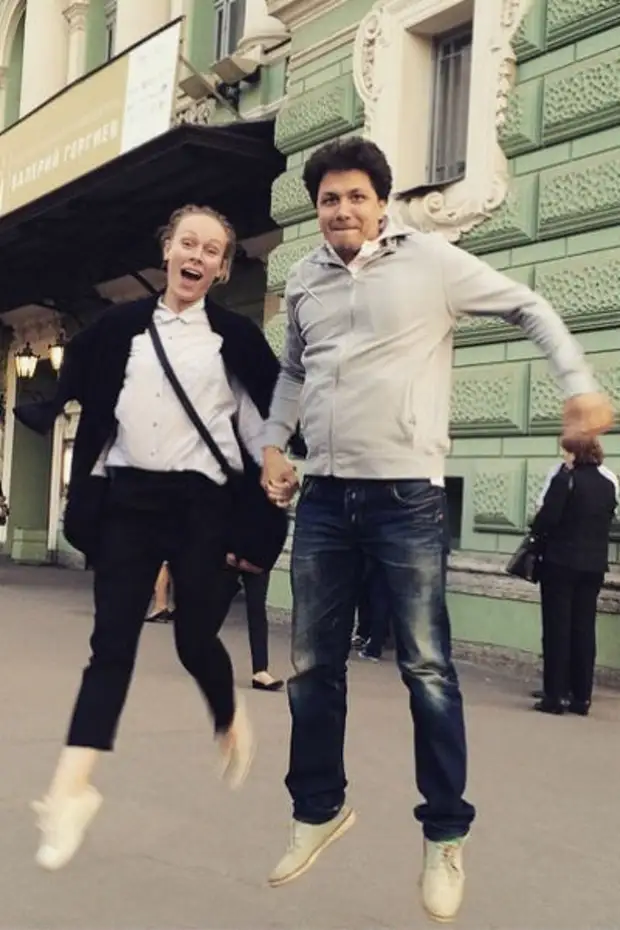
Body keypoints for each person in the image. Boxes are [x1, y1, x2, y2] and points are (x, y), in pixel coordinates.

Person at [259, 137, 613, 922]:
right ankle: (317, 811)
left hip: (406, 499)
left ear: (381, 202)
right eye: (329, 199)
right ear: (317, 208)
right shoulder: (305, 279)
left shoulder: (431, 262)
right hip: (324, 499)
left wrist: (577, 384)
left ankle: (445, 833)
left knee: (426, 669)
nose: (342, 210)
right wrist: (274, 444)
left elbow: (528, 305)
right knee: (312, 668)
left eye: (356, 196)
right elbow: (293, 371)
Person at [14, 203, 287, 872]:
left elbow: (259, 419)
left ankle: (227, 715)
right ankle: (70, 791)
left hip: (203, 506)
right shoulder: (120, 329)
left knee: (194, 640)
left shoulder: (233, 338)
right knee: (110, 648)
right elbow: (89, 393)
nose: (197, 256)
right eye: (187, 243)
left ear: (222, 269)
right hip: (129, 501)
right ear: (167, 251)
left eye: (211, 250)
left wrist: (275, 465)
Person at [531, 438, 617, 716]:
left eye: (566, 451)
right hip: (593, 566)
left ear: (574, 454)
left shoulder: (564, 479)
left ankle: (554, 697)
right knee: (584, 630)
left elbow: (546, 520)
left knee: (557, 629)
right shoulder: (607, 484)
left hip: (560, 563)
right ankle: (582, 698)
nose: (563, 456)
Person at [227, 555, 284, 691]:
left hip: (257, 560)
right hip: (229, 554)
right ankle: (199, 651)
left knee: (257, 611)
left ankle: (260, 671)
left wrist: (266, 561)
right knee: (215, 605)